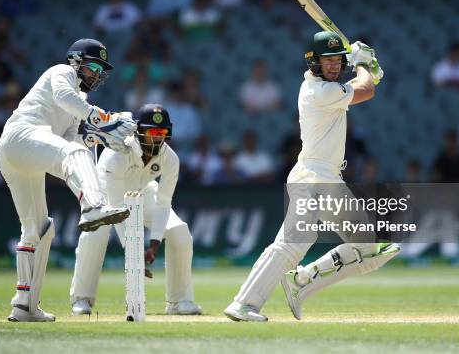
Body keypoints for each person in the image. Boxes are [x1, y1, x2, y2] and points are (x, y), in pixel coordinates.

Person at [224, 31, 397, 322]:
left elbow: (362, 86)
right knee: (292, 243)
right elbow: (366, 91)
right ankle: (244, 304)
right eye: (327, 60)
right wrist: (364, 64)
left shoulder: (331, 91)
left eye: (338, 60)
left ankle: (302, 281)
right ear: (313, 62)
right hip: (312, 178)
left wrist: (368, 70)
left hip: (329, 180)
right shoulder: (319, 91)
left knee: (368, 247)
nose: (333, 66)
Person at [0, 38, 136, 322]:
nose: (96, 74)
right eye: (93, 66)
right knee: (73, 154)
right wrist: (104, 118)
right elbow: (62, 98)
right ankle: (93, 206)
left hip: (24, 154)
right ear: (76, 61)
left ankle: (25, 304)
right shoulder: (61, 72)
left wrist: (99, 136)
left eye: (101, 70)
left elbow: (69, 143)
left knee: (39, 229)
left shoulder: (80, 102)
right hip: (20, 135)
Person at [70, 104, 201, 316]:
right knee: (96, 234)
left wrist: (154, 244)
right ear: (139, 132)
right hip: (104, 193)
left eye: (162, 133)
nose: (158, 138)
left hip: (143, 190)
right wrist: (134, 255)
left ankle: (179, 302)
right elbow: (116, 210)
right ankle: (81, 299)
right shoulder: (118, 153)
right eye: (152, 132)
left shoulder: (170, 158)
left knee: (180, 232)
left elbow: (163, 203)